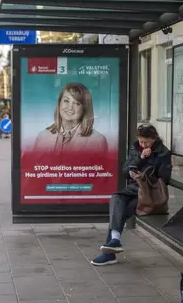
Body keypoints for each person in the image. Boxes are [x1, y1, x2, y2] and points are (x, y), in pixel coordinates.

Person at [91, 124, 172, 266]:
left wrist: (145, 174)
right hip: (134, 189)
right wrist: (140, 158)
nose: (143, 144)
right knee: (116, 198)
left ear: (154, 139)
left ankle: (111, 250)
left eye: (146, 141)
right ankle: (114, 242)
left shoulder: (163, 152)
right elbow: (124, 171)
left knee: (120, 210)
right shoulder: (136, 148)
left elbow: (164, 178)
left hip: (150, 195)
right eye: (141, 141)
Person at [32, 82, 108, 154]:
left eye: (77, 103)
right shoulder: (42, 136)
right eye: (66, 101)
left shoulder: (98, 141)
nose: (70, 107)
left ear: (85, 108)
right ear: (59, 103)